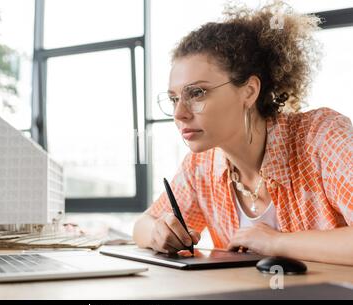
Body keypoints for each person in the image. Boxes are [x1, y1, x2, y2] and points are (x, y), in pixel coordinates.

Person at [133, 1, 353, 265]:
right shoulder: (202, 166)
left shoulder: (322, 137)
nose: (179, 113)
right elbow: (143, 225)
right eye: (174, 98)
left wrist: (276, 242)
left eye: (197, 93)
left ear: (249, 91)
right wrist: (158, 233)